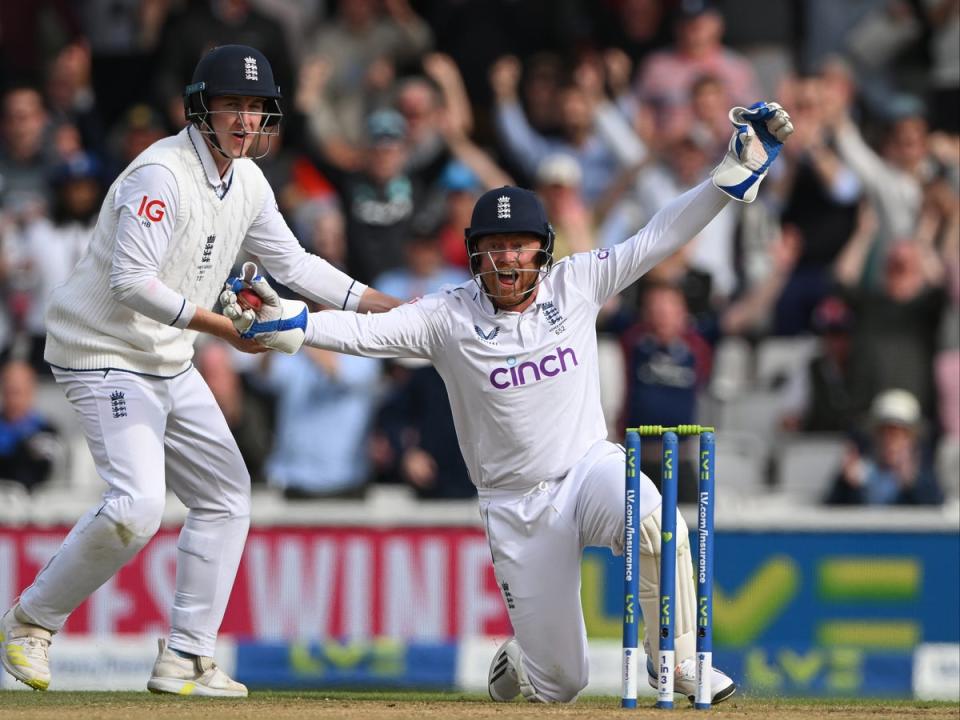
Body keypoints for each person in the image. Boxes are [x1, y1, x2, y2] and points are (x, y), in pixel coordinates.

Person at [223, 101, 794, 703]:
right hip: (516, 506)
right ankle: (526, 657)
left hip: (586, 469)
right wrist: (288, 321)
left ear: (542, 248)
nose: (507, 260)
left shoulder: (577, 283)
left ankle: (674, 661)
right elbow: (362, 335)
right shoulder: (447, 315)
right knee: (563, 684)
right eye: (494, 247)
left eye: (519, 246)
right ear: (475, 252)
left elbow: (657, 236)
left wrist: (726, 178)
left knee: (655, 519)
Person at [0, 44, 398, 696]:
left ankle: (187, 656)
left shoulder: (246, 180)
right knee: (137, 509)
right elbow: (131, 283)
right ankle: (29, 623)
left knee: (226, 495)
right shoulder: (161, 174)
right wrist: (225, 330)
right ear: (201, 109)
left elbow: (295, 267)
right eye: (230, 106)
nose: (244, 120)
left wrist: (384, 305)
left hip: (167, 357)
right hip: (102, 351)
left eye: (254, 107)